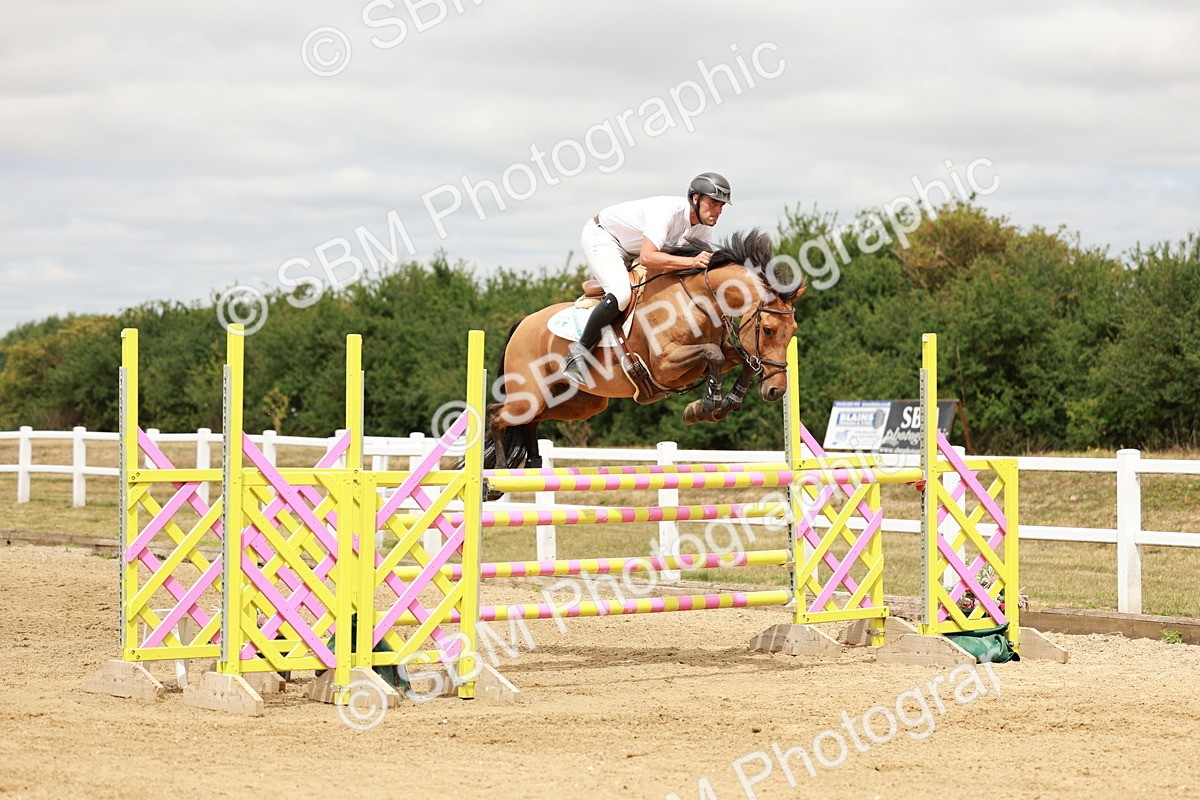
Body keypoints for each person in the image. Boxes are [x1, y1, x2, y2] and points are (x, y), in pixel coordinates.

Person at [562, 172, 732, 385]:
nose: (718, 211)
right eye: (713, 203)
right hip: (604, 238)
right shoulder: (668, 212)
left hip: (630, 249)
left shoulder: (703, 228)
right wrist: (691, 262)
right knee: (622, 294)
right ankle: (578, 354)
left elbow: (703, 269)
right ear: (696, 199)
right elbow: (648, 257)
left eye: (722, 206)